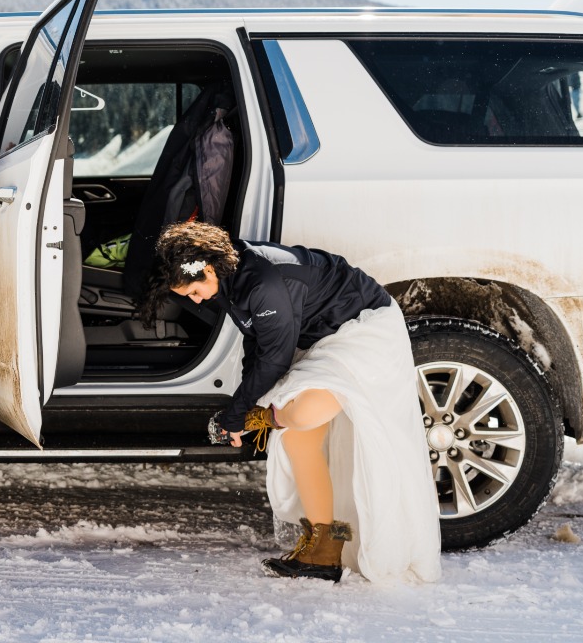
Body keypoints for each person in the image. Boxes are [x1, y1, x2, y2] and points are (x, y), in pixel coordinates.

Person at [139, 221, 441, 584]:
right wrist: (244, 410)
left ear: (206, 269)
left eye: (195, 289)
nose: (196, 299)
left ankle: (265, 419)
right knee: (300, 440)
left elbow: (275, 359)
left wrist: (240, 416)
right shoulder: (228, 273)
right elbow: (257, 343)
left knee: (301, 414)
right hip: (323, 339)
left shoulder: (265, 283)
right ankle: (326, 550)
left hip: (365, 331)